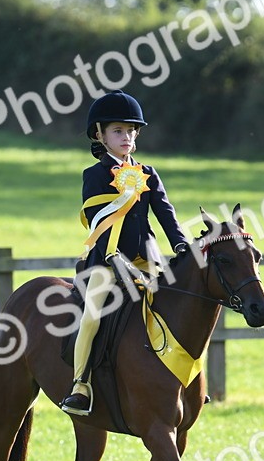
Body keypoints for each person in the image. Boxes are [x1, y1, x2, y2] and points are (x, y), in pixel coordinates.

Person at [61, 90, 190, 416]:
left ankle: (186, 381)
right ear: (100, 135)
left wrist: (180, 244)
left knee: (179, 307)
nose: (127, 137)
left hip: (147, 259)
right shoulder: (94, 175)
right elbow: (97, 220)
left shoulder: (148, 173)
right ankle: (80, 385)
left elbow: (166, 214)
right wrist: (113, 257)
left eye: (131, 131)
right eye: (118, 131)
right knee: (92, 315)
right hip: (106, 261)